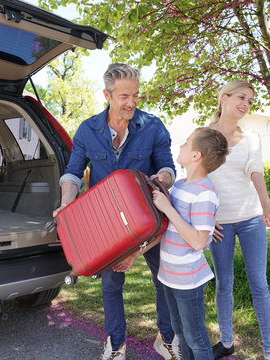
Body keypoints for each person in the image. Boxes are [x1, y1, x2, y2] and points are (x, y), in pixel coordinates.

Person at [53, 63, 180, 360]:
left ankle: (167, 338)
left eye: (136, 95)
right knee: (111, 284)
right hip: (107, 223)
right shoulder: (87, 129)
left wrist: (163, 179)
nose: (132, 102)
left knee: (165, 277)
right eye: (125, 96)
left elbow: (167, 167)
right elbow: (73, 172)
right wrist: (66, 202)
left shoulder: (153, 126)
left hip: (147, 219)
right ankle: (116, 344)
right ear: (107, 95)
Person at [119, 127, 229, 360]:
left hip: (188, 281)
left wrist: (167, 207)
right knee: (180, 333)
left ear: (196, 156)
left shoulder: (205, 194)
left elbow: (199, 241)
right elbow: (165, 230)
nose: (181, 145)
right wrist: (136, 255)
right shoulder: (179, 185)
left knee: (196, 338)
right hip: (168, 275)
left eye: (187, 143)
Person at [207, 80, 270, 360]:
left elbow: (255, 169)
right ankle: (226, 342)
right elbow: (196, 177)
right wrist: (204, 218)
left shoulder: (250, 137)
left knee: (259, 284)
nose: (246, 104)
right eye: (241, 97)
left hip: (250, 219)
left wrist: (266, 204)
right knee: (223, 284)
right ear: (224, 98)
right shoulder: (204, 135)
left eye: (250, 100)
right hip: (219, 224)